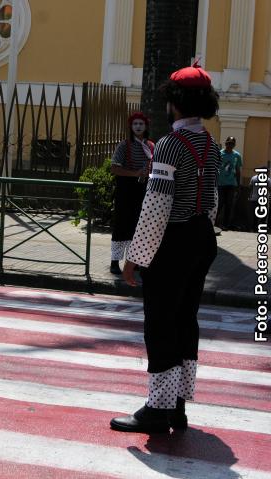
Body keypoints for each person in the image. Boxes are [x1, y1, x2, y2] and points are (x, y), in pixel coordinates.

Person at [111, 61, 220, 433]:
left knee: (160, 323)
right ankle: (177, 406)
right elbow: (212, 198)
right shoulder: (210, 144)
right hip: (202, 236)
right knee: (185, 320)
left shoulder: (170, 145)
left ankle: (157, 410)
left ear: (174, 102)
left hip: (173, 242)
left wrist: (135, 257)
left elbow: (157, 205)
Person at [109, 112, 154, 274]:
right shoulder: (124, 145)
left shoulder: (151, 146)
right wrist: (135, 174)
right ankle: (115, 262)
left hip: (143, 189)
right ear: (131, 127)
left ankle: (134, 261)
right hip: (125, 190)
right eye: (135, 124)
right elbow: (114, 168)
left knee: (139, 226)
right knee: (121, 225)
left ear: (146, 126)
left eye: (141, 124)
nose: (138, 126)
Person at [217, 136, 243, 230]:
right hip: (220, 184)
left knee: (229, 204)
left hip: (231, 184)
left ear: (234, 145)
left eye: (232, 144)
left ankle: (225, 224)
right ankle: (215, 223)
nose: (230, 145)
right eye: (228, 143)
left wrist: (238, 185)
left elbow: (238, 171)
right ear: (225, 143)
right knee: (219, 203)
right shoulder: (220, 154)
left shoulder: (237, 155)